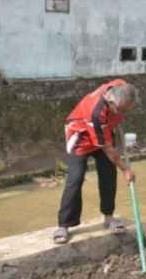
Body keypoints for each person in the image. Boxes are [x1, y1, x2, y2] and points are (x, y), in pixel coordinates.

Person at [53, 80, 137, 244]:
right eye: (121, 110)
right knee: (75, 179)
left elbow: (112, 126)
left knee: (108, 174)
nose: (123, 114)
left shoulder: (121, 86)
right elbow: (107, 147)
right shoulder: (96, 113)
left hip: (104, 130)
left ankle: (108, 217)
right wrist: (126, 169)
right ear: (111, 102)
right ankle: (64, 225)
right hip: (81, 137)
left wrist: (118, 117)